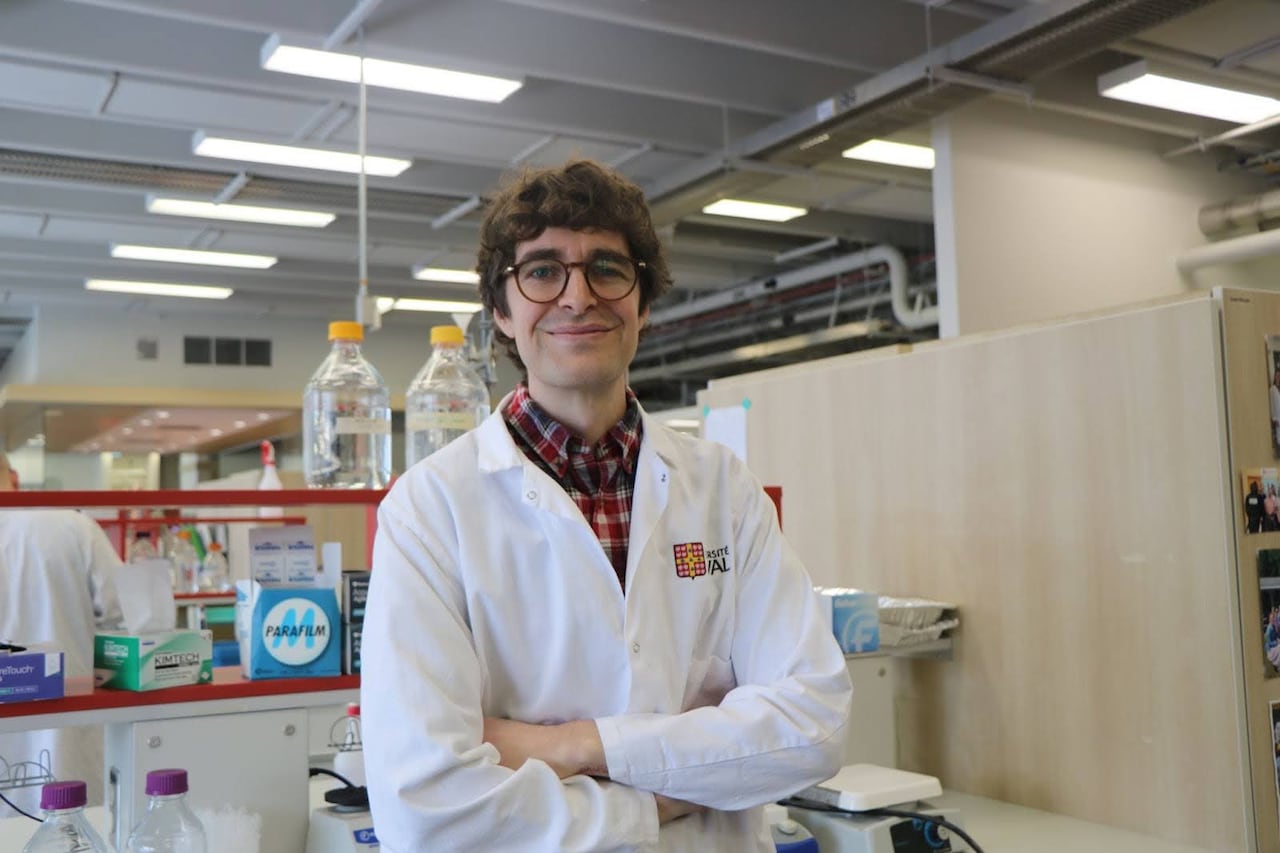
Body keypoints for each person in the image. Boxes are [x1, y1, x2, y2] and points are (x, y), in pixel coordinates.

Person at [362, 160, 853, 851]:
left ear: (643, 301)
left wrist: (571, 745)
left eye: (607, 268)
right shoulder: (430, 508)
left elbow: (814, 724)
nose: (577, 296)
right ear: (501, 310)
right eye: (541, 271)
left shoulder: (722, 489)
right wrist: (658, 798)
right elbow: (425, 805)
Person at [0, 452, 123, 817]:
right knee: (73, 831)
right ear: (16, 478)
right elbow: (126, 614)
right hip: (67, 732)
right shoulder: (74, 526)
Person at [1271, 368, 1280, 455]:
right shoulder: (1272, 389)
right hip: (1277, 420)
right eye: (1277, 376)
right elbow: (1272, 405)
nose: (1278, 378)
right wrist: (1274, 419)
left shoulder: (1278, 389)